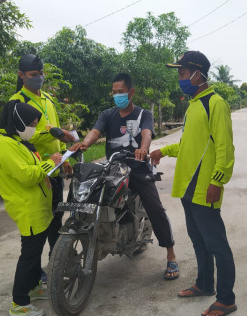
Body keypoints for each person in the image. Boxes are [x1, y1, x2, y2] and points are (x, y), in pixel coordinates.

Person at [149, 51, 237, 316]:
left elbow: (225, 148)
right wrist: (163, 151)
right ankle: (204, 284)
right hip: (188, 185)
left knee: (216, 243)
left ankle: (226, 299)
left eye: (182, 73)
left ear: (198, 74)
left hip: (204, 186)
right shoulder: (195, 104)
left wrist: (218, 181)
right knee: (198, 239)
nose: (180, 79)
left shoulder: (216, 104)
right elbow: (191, 144)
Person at [70, 73, 179, 280]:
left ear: (131, 92)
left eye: (120, 92)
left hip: (137, 168)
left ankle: (171, 255)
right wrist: (85, 143)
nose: (117, 96)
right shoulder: (107, 115)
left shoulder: (143, 114)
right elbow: (95, 131)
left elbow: (146, 133)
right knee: (85, 194)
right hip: (113, 168)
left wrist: (143, 149)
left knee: (155, 208)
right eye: (114, 92)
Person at [0, 101, 62, 316]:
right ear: (18, 121)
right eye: (31, 124)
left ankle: (32, 287)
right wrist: (51, 163)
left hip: (37, 206)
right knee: (29, 255)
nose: (33, 128)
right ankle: (19, 302)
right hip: (27, 208)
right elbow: (26, 175)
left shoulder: (17, 142)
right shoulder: (5, 145)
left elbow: (33, 168)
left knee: (35, 251)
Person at [9, 54, 75, 284]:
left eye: (40, 74)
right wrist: (50, 132)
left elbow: (57, 134)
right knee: (37, 229)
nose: (39, 79)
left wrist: (64, 158)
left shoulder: (47, 99)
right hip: (36, 172)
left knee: (56, 222)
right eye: (33, 75)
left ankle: (55, 266)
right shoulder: (17, 103)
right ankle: (35, 275)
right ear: (21, 75)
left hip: (54, 170)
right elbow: (23, 135)